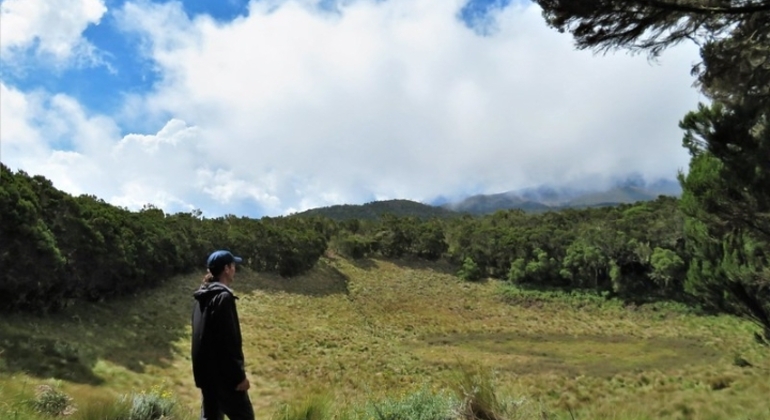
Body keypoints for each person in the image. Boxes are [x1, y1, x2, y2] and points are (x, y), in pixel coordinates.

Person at [191, 250, 255, 420]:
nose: (235, 269)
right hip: (226, 380)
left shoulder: (201, 298)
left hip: (207, 377)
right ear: (226, 269)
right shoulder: (223, 298)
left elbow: (199, 339)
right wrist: (239, 377)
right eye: (233, 265)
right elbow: (229, 342)